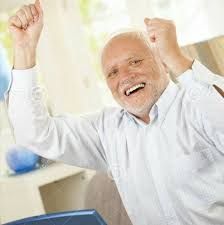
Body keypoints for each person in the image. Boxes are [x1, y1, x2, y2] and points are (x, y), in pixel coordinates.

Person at [7, 1, 224, 225]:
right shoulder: (106, 130)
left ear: (163, 62)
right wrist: (25, 49)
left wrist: (177, 57)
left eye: (135, 61)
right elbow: (32, 134)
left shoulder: (195, 105)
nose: (124, 76)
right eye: (112, 72)